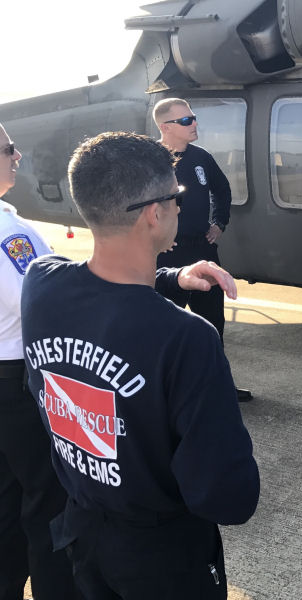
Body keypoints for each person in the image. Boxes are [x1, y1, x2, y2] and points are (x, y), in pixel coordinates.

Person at [21, 131, 260, 599]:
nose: (178, 206)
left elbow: (100, 289)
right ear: (154, 214)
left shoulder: (40, 282)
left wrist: (174, 278)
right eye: (177, 197)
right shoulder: (188, 339)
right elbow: (226, 497)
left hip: (82, 535)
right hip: (163, 556)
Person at [0, 123, 80, 599]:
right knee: (48, 505)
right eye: (9, 149)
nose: (17, 156)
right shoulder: (8, 232)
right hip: (15, 385)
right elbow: (42, 299)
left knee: (6, 502)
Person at [152, 98, 252, 401]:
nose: (194, 124)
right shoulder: (151, 162)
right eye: (186, 121)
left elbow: (222, 190)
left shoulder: (201, 158)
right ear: (165, 127)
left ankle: (218, 387)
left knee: (212, 327)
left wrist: (219, 221)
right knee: (165, 330)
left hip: (202, 251)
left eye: (193, 118)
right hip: (167, 257)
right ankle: (163, 395)